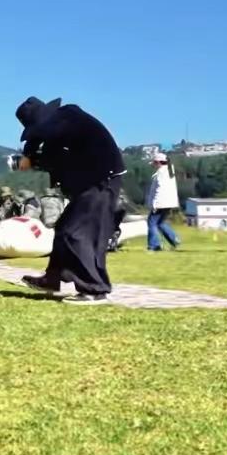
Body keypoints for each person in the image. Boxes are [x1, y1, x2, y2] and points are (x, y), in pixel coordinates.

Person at [14, 94, 125, 301]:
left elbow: (53, 159)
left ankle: (94, 290)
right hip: (96, 180)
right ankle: (52, 278)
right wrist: (28, 154)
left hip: (101, 181)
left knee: (75, 233)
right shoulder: (62, 118)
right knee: (64, 228)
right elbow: (37, 138)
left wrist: (34, 161)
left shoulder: (62, 128)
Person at [146, 153, 181, 251]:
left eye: (154, 163)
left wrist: (155, 204)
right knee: (160, 222)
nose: (153, 165)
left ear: (158, 162)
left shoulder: (161, 174)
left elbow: (160, 189)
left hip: (160, 203)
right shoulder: (169, 171)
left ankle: (154, 245)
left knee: (152, 222)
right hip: (169, 202)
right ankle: (174, 239)